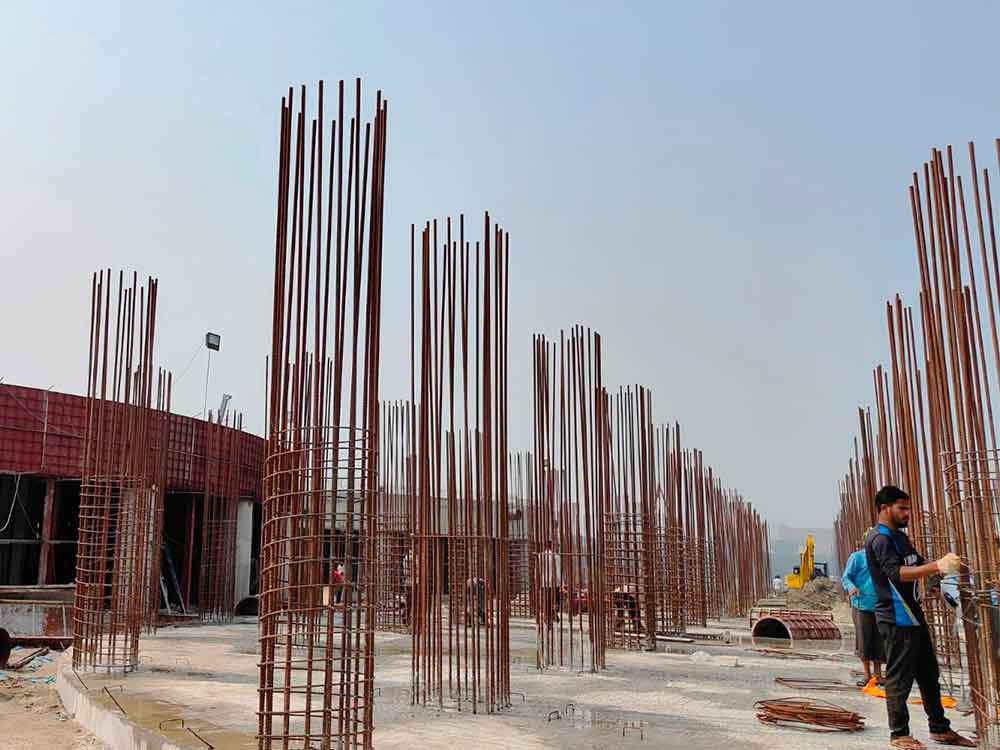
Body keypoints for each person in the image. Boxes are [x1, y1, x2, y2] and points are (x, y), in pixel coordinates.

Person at [865, 485, 973, 749]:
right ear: (884, 508)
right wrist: (936, 566)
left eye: (909, 508)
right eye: (902, 508)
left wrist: (935, 578)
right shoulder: (880, 539)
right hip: (896, 617)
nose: (907, 513)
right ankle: (899, 734)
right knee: (899, 677)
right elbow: (896, 573)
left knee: (928, 673)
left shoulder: (900, 537)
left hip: (913, 615)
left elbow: (915, 564)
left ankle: (940, 728)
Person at [841, 532, 884, 687]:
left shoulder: (882, 558)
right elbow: (846, 577)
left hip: (880, 604)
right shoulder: (857, 558)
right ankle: (867, 674)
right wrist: (852, 587)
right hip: (861, 604)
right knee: (864, 639)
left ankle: (878, 675)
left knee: (880, 640)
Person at [539, 541, 561, 623]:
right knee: (556, 599)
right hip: (554, 582)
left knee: (547, 600)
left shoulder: (541, 556)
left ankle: (547, 617)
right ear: (552, 546)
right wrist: (560, 582)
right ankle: (554, 612)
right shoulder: (556, 556)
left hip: (544, 583)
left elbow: (538, 570)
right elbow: (558, 571)